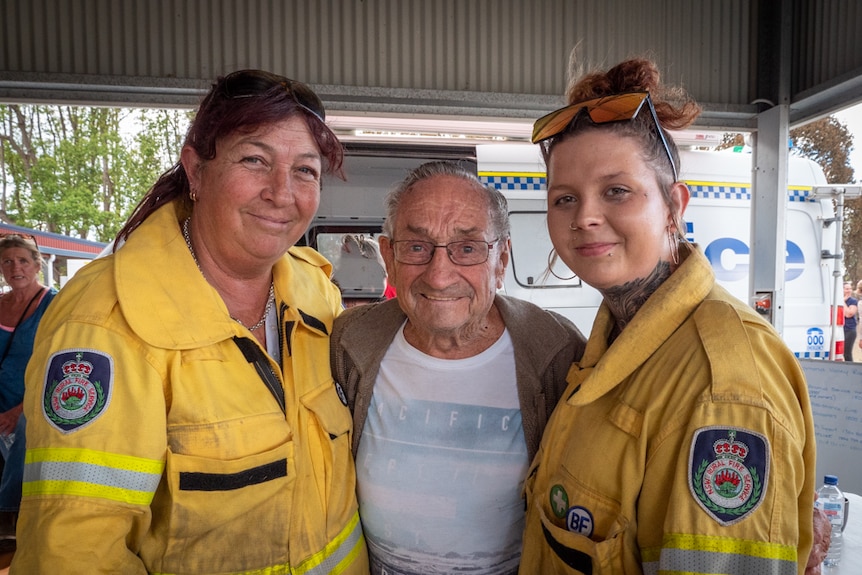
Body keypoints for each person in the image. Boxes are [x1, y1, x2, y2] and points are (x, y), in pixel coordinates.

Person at [13, 70, 369, 573]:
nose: (281, 192)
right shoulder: (104, 322)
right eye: (254, 160)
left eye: (305, 171)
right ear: (196, 171)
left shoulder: (316, 292)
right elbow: (74, 555)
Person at [521, 57, 817, 574]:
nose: (585, 217)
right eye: (564, 198)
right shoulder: (613, 342)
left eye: (617, 191)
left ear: (673, 207)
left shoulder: (722, 388)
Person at [330, 160, 586, 574]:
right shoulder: (351, 343)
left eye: (467, 248)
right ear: (388, 257)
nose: (439, 274)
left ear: (501, 259)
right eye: (416, 247)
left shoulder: (555, 349)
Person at [0, 234, 56, 544]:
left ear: (36, 265)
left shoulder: (53, 303)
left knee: (23, 425)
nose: (15, 267)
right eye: (7, 261)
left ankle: (9, 512)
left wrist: (20, 408)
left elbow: (57, 363)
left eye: (22, 260)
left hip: (35, 397)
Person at [843, 281, 857, 361]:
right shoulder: (835, 299)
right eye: (846, 289)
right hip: (841, 329)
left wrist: (843, 302)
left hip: (849, 330)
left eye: (850, 289)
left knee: (847, 353)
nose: (849, 290)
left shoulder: (853, 301)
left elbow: (848, 314)